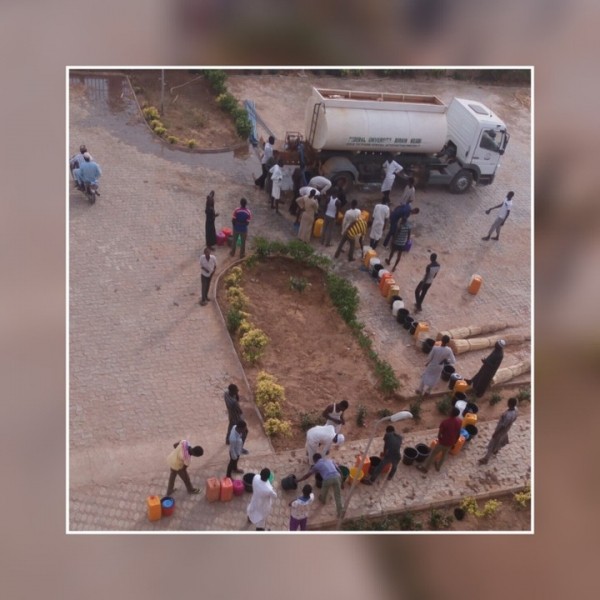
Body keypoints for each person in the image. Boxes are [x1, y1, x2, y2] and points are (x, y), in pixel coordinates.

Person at [417, 407, 462, 474]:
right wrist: (454, 442)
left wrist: (439, 439)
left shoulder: (445, 422)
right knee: (444, 455)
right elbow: (458, 433)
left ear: (451, 413)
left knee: (433, 454)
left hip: (443, 442)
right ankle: (438, 467)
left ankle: (425, 468)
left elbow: (440, 433)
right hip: (451, 443)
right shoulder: (459, 421)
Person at [479, 397, 518, 465]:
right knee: (501, 440)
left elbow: (503, 426)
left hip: (500, 431)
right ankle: (496, 450)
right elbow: (514, 419)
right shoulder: (516, 410)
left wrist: (496, 433)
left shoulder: (508, 415)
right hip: (506, 430)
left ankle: (486, 459)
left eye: (508, 403)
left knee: (492, 444)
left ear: (510, 404)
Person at [382, 178, 416, 247]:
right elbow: (403, 219)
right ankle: (391, 242)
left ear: (411, 183)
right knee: (393, 231)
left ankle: (390, 241)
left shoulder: (412, 190)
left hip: (401, 207)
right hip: (400, 208)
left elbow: (411, 199)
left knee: (394, 229)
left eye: (409, 182)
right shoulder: (406, 211)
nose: (408, 183)